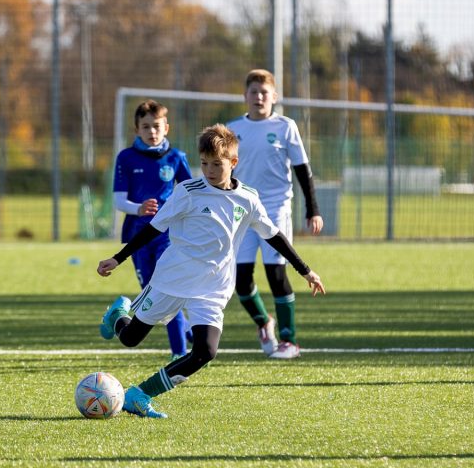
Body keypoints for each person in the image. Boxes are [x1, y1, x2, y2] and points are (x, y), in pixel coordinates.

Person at [97, 124, 325, 418]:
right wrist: (118, 258)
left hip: (213, 288)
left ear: (233, 162)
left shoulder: (248, 199)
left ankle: (139, 394)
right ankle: (118, 315)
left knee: (205, 351)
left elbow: (274, 235)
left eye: (217, 164)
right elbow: (154, 229)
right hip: (172, 278)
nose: (209, 170)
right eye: (204, 163)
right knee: (130, 338)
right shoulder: (187, 191)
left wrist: (305, 271)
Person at [227, 69, 323, 360]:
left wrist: (312, 208)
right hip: (241, 210)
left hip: (276, 209)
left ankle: (289, 340)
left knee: (277, 274)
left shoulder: (285, 127)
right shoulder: (231, 130)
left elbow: (302, 170)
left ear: (274, 97)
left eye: (264, 93)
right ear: (245, 96)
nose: (258, 97)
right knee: (240, 279)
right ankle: (263, 322)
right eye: (253, 92)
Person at [111, 100, 194, 358]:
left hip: (169, 237)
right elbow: (118, 199)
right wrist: (138, 208)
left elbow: (191, 193)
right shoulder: (126, 157)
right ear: (137, 129)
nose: (152, 131)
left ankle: (178, 354)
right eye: (145, 127)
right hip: (138, 236)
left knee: (167, 291)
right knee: (151, 294)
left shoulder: (176, 158)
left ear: (166, 127)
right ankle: (118, 315)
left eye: (156, 126)